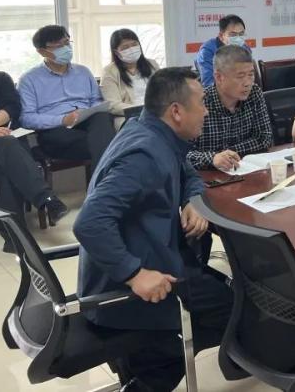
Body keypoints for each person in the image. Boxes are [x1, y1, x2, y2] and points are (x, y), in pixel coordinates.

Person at [74, 67, 232, 391]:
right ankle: (148, 370)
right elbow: (89, 222)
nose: (206, 111)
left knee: (221, 291)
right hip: (129, 288)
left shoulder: (150, 131)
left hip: (154, 258)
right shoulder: (145, 155)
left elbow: (187, 171)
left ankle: (144, 362)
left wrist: (191, 200)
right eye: (201, 103)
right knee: (237, 308)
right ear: (176, 111)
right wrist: (134, 274)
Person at [18, 24, 115, 168]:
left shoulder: (83, 72)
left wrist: (89, 111)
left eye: (67, 43)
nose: (66, 49)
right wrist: (63, 119)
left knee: (102, 118)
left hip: (87, 123)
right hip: (56, 130)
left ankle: (104, 178)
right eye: (58, 46)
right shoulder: (29, 79)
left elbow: (96, 100)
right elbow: (26, 118)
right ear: (42, 51)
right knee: (105, 143)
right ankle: (107, 174)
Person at [0, 70, 67, 249]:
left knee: (8, 162)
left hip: (5, 143)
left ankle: (14, 238)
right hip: (4, 143)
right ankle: (47, 200)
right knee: (8, 148)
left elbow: (12, 107)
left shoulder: (1, 78)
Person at [186, 45, 272, 171]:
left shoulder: (254, 93)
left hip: (244, 170)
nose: (248, 83)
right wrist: (212, 158)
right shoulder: (200, 102)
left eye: (250, 75)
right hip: (207, 176)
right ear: (219, 77)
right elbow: (182, 154)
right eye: (240, 76)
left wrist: (228, 154)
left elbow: (264, 138)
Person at [101, 28, 159, 130]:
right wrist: (140, 110)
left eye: (134, 44)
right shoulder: (109, 71)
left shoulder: (152, 64)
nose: (131, 49)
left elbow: (163, 92)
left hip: (156, 113)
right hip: (129, 117)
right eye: (125, 47)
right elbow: (112, 104)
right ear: (116, 52)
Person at [194, 14, 249, 87]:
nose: (238, 38)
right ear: (221, 36)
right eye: (233, 35)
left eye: (241, 34)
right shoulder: (207, 51)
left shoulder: (245, 48)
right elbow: (208, 83)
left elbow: (249, 76)